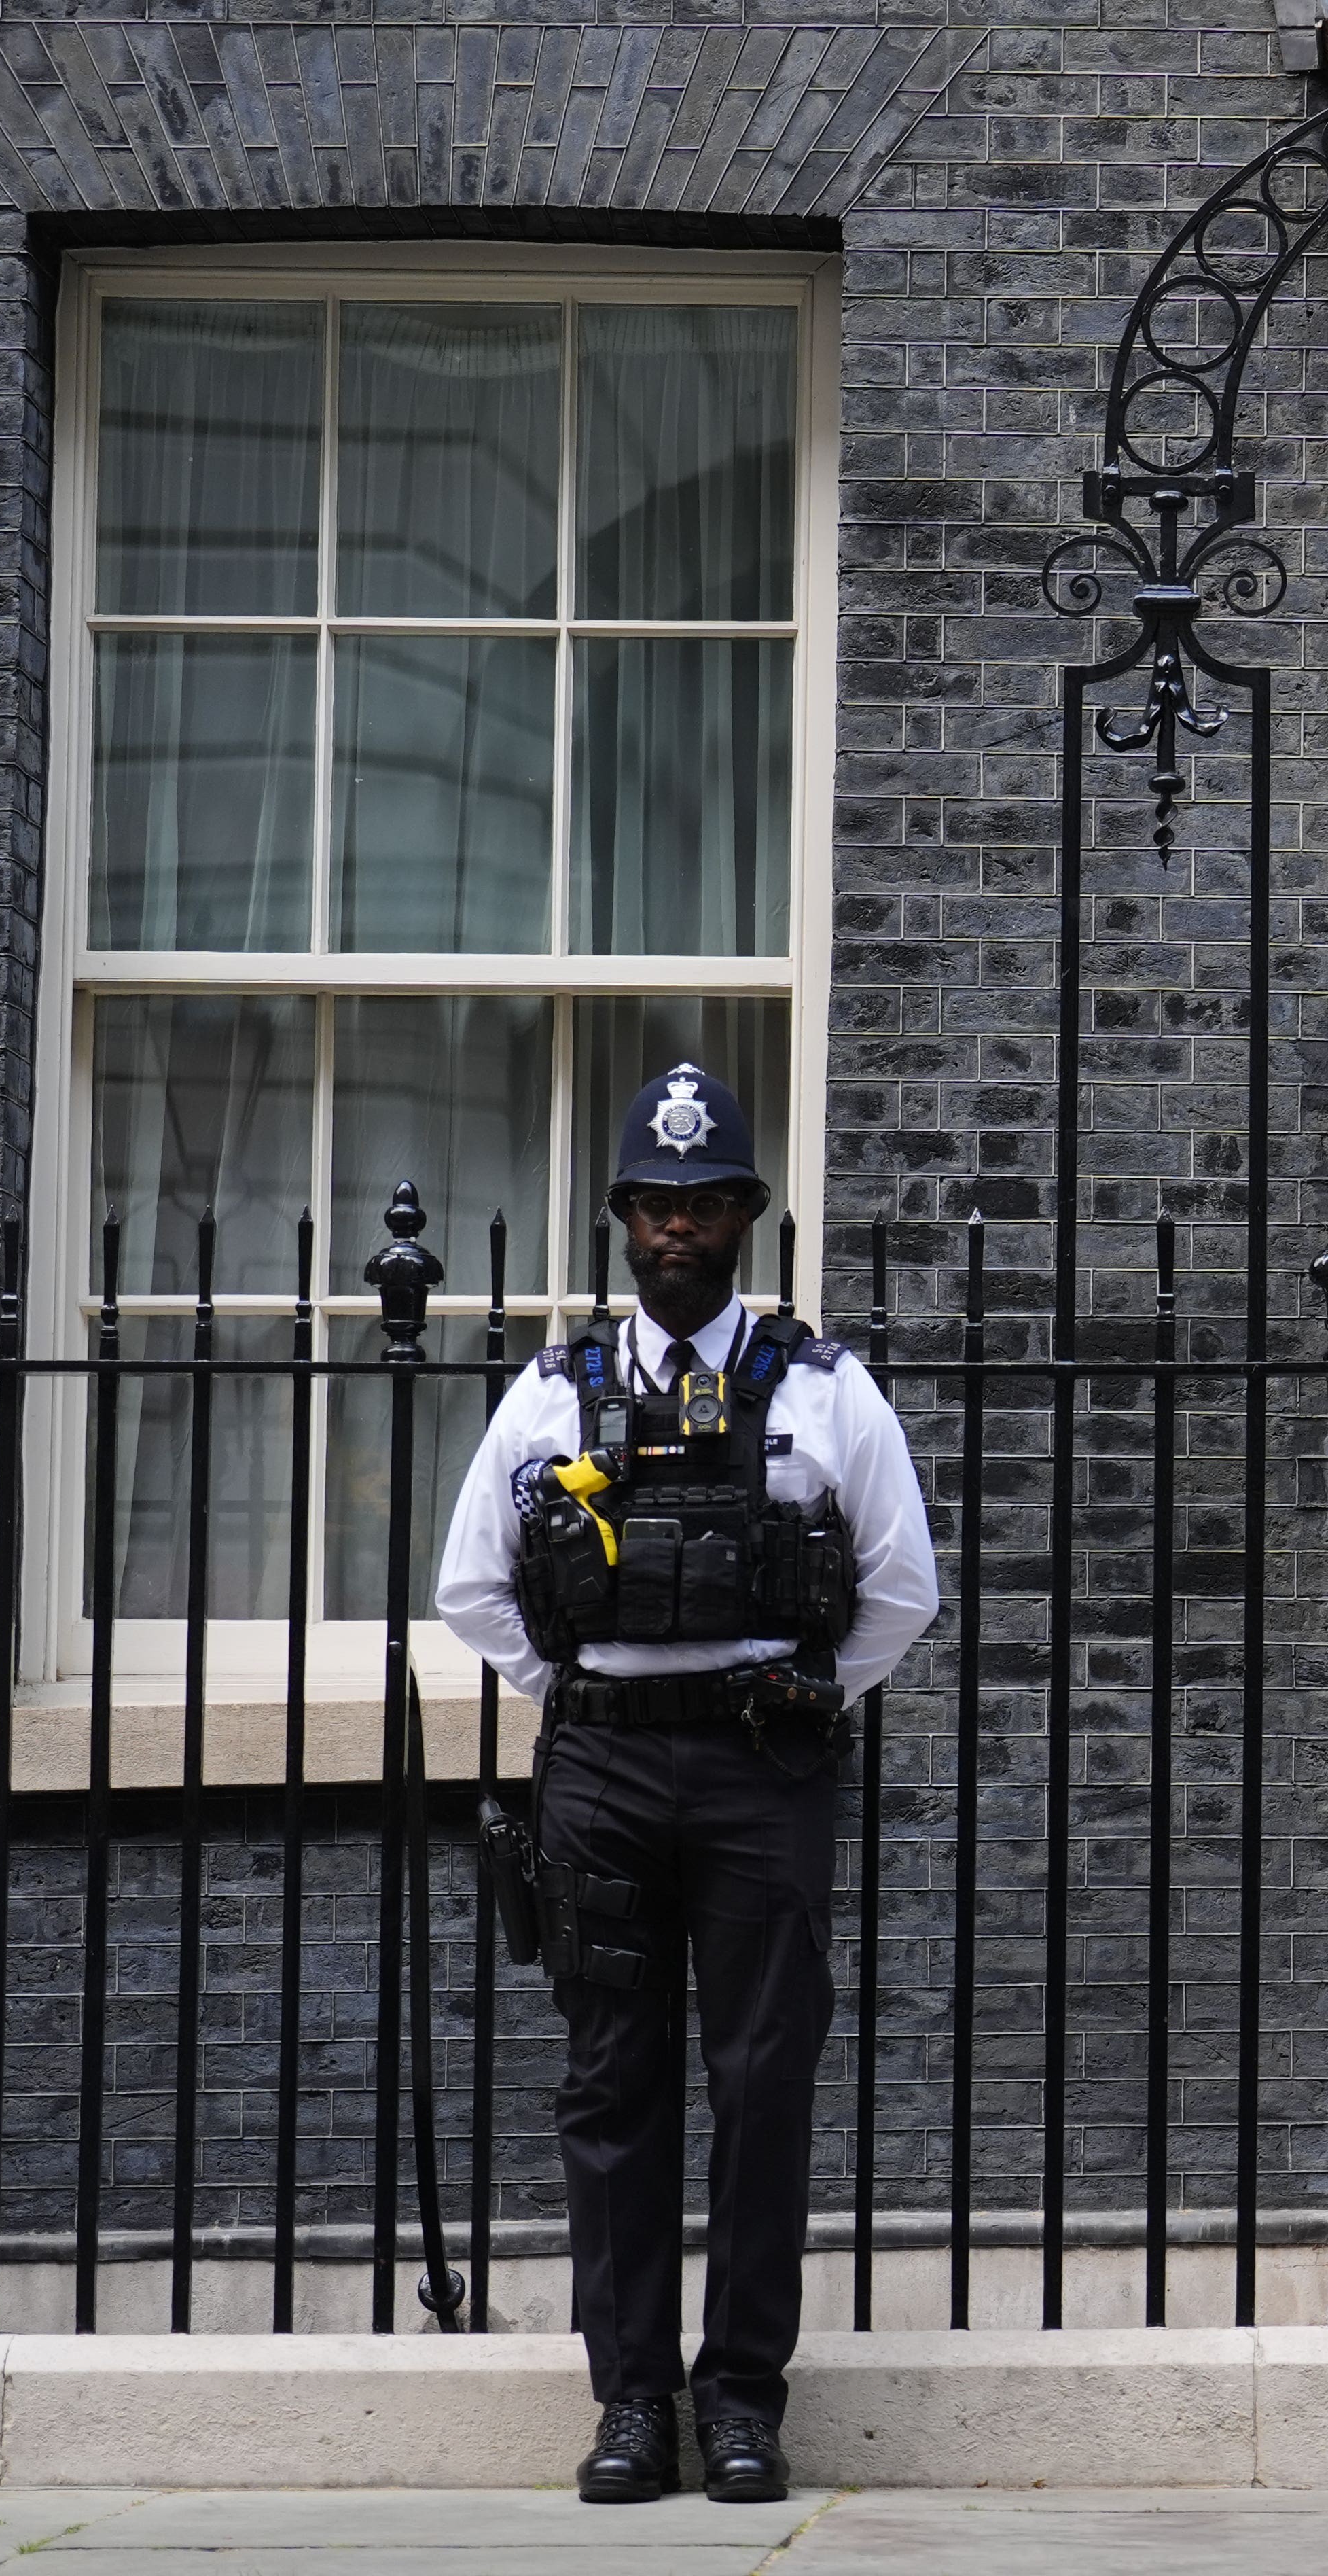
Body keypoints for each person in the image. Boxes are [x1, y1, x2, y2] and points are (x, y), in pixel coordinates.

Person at [434, 1065, 938, 2504]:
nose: (677, 1227)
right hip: (600, 1765)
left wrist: (799, 1690)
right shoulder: (549, 1394)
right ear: (623, 1218)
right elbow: (474, 1585)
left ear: (742, 1217)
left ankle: (744, 2401)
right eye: (654, 1203)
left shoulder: (829, 1392)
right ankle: (633, 2399)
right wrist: (583, 1699)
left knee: (763, 2082)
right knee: (612, 2081)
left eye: (704, 1201)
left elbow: (903, 1583)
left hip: (762, 1767)